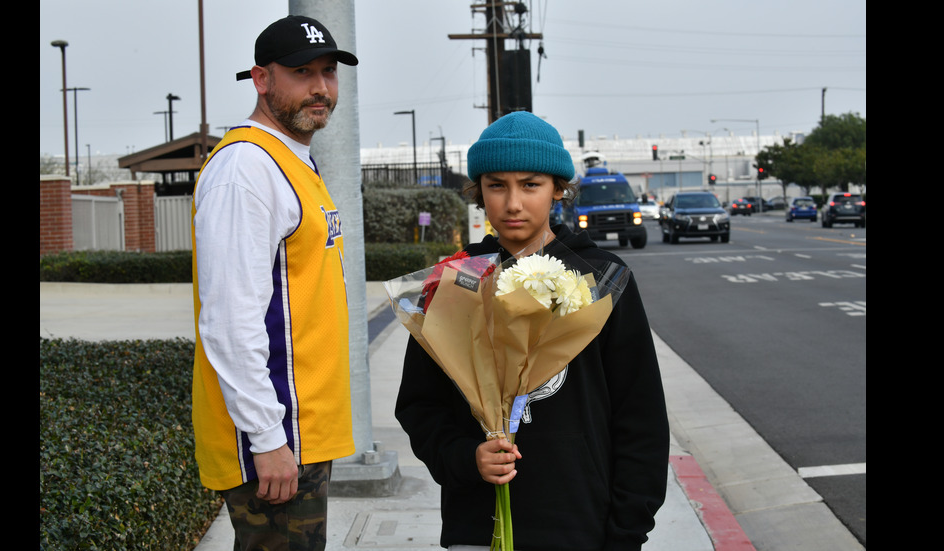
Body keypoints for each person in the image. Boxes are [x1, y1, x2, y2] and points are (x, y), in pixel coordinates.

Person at [395, 111, 669, 550]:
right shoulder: (455, 281)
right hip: (477, 524)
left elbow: (641, 416)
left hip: (581, 522)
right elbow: (419, 404)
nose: (513, 203)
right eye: (497, 185)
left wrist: (628, 529)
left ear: (559, 189)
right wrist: (467, 458)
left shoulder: (601, 278)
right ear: (479, 192)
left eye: (531, 184)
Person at [190, 14, 358, 551]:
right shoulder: (245, 170)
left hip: (301, 435)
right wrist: (266, 439)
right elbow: (229, 321)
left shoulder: (290, 160)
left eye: (328, 72)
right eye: (301, 72)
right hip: (276, 441)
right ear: (261, 80)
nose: (320, 88)